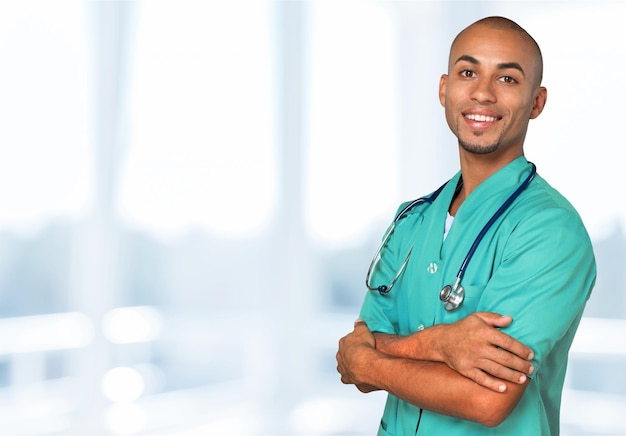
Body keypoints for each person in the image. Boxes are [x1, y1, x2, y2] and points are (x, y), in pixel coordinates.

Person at [336, 16, 596, 435]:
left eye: (508, 79)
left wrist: (373, 358)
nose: (482, 93)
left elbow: (488, 399)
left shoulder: (551, 231)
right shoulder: (411, 220)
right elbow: (355, 357)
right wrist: (439, 344)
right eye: (468, 72)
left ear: (536, 102)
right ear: (444, 89)